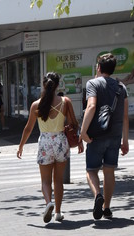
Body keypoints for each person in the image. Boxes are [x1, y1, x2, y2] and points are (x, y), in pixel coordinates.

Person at [17, 72, 83, 223]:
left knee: (45, 181)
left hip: (45, 143)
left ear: (43, 85)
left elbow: (28, 128)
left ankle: (48, 203)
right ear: (57, 85)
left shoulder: (36, 105)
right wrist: (79, 142)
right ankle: (58, 212)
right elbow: (73, 124)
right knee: (58, 180)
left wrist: (21, 146)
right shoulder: (65, 102)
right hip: (61, 142)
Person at [80, 53, 129, 220]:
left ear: (99, 67)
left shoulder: (92, 84)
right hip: (115, 136)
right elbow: (124, 117)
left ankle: (97, 196)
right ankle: (106, 208)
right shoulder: (121, 87)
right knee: (109, 172)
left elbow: (91, 106)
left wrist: (83, 132)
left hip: (96, 136)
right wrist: (125, 141)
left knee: (91, 171)